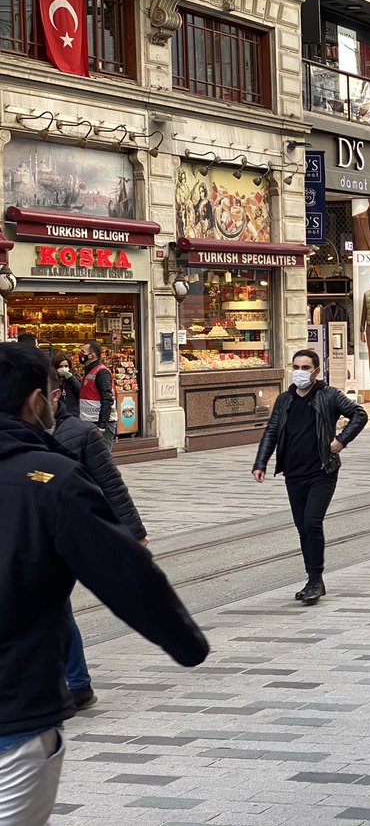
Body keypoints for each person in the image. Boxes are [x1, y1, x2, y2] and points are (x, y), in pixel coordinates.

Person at [0, 342, 208, 823]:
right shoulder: (50, 479)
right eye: (53, 392)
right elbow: (124, 575)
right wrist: (187, 643)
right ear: (36, 401)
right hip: (14, 708)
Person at [53, 398, 149, 712]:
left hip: (66, 534)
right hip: (27, 533)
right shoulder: (15, 430)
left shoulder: (80, 433)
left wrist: (134, 531)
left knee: (55, 609)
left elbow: (110, 484)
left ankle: (75, 684)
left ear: (53, 396)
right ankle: (75, 684)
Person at [253, 349, 368, 604]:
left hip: (322, 471)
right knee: (302, 528)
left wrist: (341, 440)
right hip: (293, 474)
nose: (300, 372)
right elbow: (271, 431)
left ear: (316, 371)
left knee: (312, 522)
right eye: (296, 367)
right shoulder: (285, 400)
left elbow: (359, 414)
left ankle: (316, 580)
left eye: (305, 368)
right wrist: (260, 462)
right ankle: (312, 578)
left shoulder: (328, 395)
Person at [77, 340, 116, 450]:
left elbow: (107, 398)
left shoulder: (101, 372)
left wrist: (102, 425)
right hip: (90, 421)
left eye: (82, 352)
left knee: (102, 459)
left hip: (99, 423)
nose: (80, 355)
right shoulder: (90, 371)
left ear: (91, 355)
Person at [51, 352, 80, 419]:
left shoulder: (75, 378)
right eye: (61, 366)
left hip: (73, 416)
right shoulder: (51, 380)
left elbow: (80, 392)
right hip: (57, 416)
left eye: (66, 366)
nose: (64, 369)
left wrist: (70, 377)